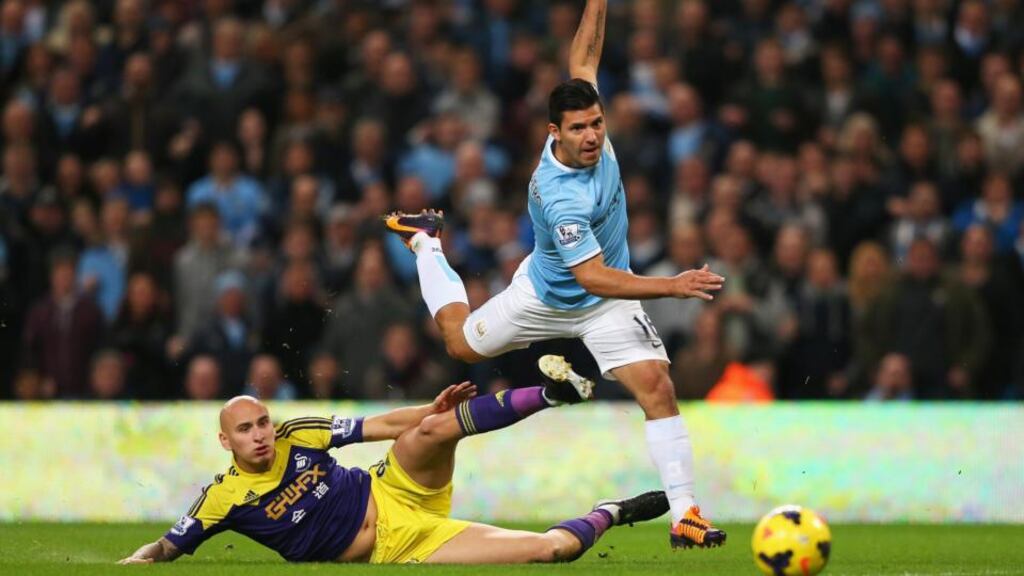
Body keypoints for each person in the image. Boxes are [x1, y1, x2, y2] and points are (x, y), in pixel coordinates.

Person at [384, 0, 725, 549]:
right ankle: (425, 241)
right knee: (460, 344)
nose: (592, 137)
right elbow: (593, 277)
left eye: (597, 124)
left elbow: (583, 58)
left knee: (658, 388)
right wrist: (672, 284)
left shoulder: (583, 118)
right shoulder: (560, 195)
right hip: (549, 296)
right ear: (554, 133)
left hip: (608, 304)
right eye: (579, 129)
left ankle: (686, 514)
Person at [118, 356, 669, 565]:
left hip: (390, 488)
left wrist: (428, 410)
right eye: (246, 430)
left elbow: (377, 426)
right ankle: (611, 511)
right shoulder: (221, 498)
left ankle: (553, 395)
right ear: (226, 442)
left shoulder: (296, 434)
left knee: (431, 429)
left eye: (262, 422)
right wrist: (133, 563)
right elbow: (168, 546)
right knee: (550, 550)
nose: (261, 435)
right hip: (400, 544)